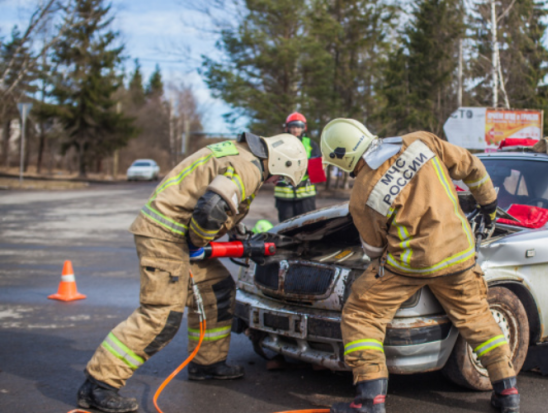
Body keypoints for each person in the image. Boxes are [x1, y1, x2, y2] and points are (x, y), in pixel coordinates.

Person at [77, 133, 308, 413]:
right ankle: (99, 385)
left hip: (174, 234)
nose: (276, 183)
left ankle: (207, 364)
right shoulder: (249, 167)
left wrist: (239, 235)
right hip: (167, 237)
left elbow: (223, 202)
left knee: (217, 289)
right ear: (280, 163)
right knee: (161, 315)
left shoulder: (242, 154)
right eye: (281, 178)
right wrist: (200, 243)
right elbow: (211, 210)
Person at [320, 118, 520, 413]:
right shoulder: (421, 141)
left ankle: (370, 400)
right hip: (459, 254)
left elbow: (375, 249)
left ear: (342, 159)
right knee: (476, 316)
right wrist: (488, 204)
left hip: (410, 266)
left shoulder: (362, 193)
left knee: (362, 313)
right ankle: (508, 394)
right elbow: (472, 166)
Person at [274, 112, 322, 222]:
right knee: (285, 225)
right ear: (287, 128)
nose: (296, 129)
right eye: (293, 126)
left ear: (304, 128)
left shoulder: (311, 144)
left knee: (307, 224)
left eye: (298, 126)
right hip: (284, 195)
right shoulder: (279, 143)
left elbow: (316, 173)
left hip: (306, 195)